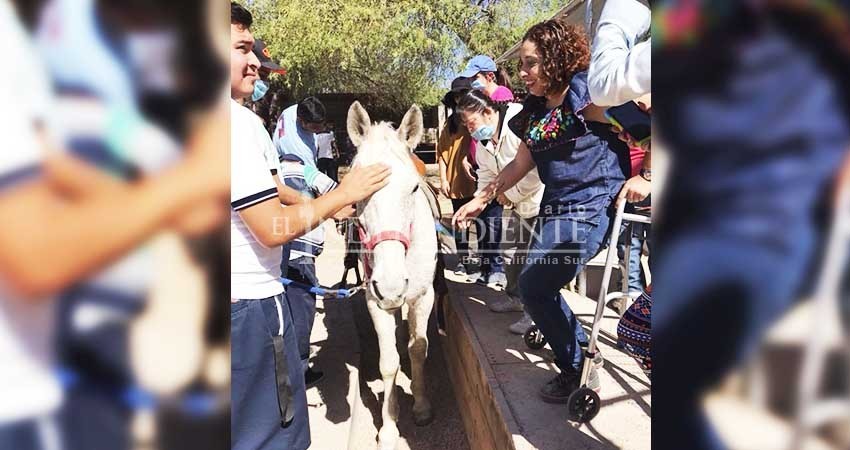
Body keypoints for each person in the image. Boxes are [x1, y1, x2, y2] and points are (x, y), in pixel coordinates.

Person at [0, 1, 229, 447]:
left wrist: (172, 194)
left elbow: (46, 165)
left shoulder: (118, 118)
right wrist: (195, 178)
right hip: (35, 401)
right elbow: (34, 256)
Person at [229, 4, 389, 449]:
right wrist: (342, 194)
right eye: (242, 48)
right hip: (249, 307)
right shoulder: (235, 125)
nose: (256, 60)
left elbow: (274, 185)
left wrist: (320, 201)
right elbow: (271, 228)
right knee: (274, 435)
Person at [454, 19, 634, 403]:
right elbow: (519, 165)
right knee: (536, 290)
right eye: (522, 64)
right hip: (556, 209)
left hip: (590, 207)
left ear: (556, 58)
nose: (523, 73)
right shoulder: (535, 111)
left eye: (531, 63)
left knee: (536, 286)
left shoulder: (589, 92)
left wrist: (648, 176)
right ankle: (573, 350)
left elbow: (649, 122)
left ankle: (580, 365)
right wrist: (481, 199)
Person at [455, 90, 544, 334]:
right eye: (466, 125)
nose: (470, 130)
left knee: (534, 262)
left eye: (471, 122)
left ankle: (534, 314)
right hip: (516, 204)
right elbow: (486, 176)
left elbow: (535, 170)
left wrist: (508, 195)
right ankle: (515, 297)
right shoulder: (483, 142)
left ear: (487, 112)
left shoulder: (518, 121)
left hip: (539, 201)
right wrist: (476, 204)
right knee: (511, 253)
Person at [437, 77, 478, 275]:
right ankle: (462, 260)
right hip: (456, 182)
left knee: (483, 222)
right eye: (456, 96)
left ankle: (486, 264)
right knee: (460, 221)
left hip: (478, 180)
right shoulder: (450, 124)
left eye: (463, 94)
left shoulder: (479, 119)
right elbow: (442, 154)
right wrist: (444, 179)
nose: (459, 99)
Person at [272, 96, 326, 168]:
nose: (321, 129)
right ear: (301, 120)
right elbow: (310, 176)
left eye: (323, 124)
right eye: (315, 128)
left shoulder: (292, 110)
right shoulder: (301, 151)